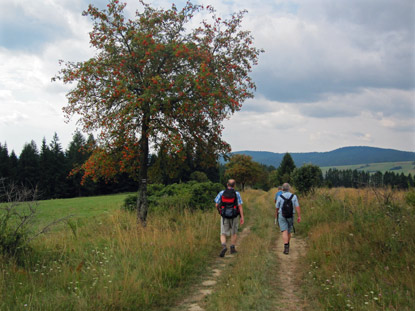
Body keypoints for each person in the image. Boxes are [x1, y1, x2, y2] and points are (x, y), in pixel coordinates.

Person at [214, 179, 244, 257]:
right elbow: (240, 206)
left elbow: (216, 204)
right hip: (234, 215)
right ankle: (232, 248)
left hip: (224, 216)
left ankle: (224, 246)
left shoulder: (222, 193)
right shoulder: (237, 193)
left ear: (227, 184)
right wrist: (242, 217)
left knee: (223, 233)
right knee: (234, 232)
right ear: (234, 185)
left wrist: (220, 211)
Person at [276, 183, 301, 255]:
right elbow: (297, 207)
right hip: (291, 215)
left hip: (282, 215)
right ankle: (288, 244)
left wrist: (276, 215)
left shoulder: (280, 196)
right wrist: (299, 216)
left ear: (282, 189)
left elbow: (277, 207)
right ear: (289, 188)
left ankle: (286, 246)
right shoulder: (294, 196)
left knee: (284, 231)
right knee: (289, 231)